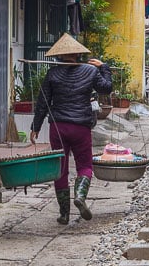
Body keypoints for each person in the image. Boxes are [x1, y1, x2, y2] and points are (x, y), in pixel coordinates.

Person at [31, 33, 112, 225]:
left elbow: (43, 103)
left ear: (59, 56)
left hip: (58, 127)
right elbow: (106, 88)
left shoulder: (52, 74)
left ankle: (64, 214)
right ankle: (80, 197)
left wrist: (35, 127)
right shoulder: (91, 71)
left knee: (60, 169)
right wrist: (104, 68)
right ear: (77, 54)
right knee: (85, 166)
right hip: (81, 127)